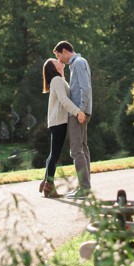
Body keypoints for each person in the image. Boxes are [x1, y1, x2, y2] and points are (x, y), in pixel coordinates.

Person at [54, 40, 92, 198]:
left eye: (58, 56)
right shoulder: (76, 64)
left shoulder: (78, 63)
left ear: (64, 51)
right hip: (80, 112)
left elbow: (85, 88)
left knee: (76, 150)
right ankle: (86, 187)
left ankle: (83, 188)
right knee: (83, 149)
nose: (58, 60)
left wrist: (80, 111)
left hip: (79, 113)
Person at [40, 57, 81, 198]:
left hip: (58, 121)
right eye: (55, 61)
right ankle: (49, 186)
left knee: (53, 154)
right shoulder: (56, 80)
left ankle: (46, 181)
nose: (59, 60)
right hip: (58, 122)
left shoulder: (59, 80)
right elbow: (64, 100)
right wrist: (78, 112)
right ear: (53, 67)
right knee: (55, 155)